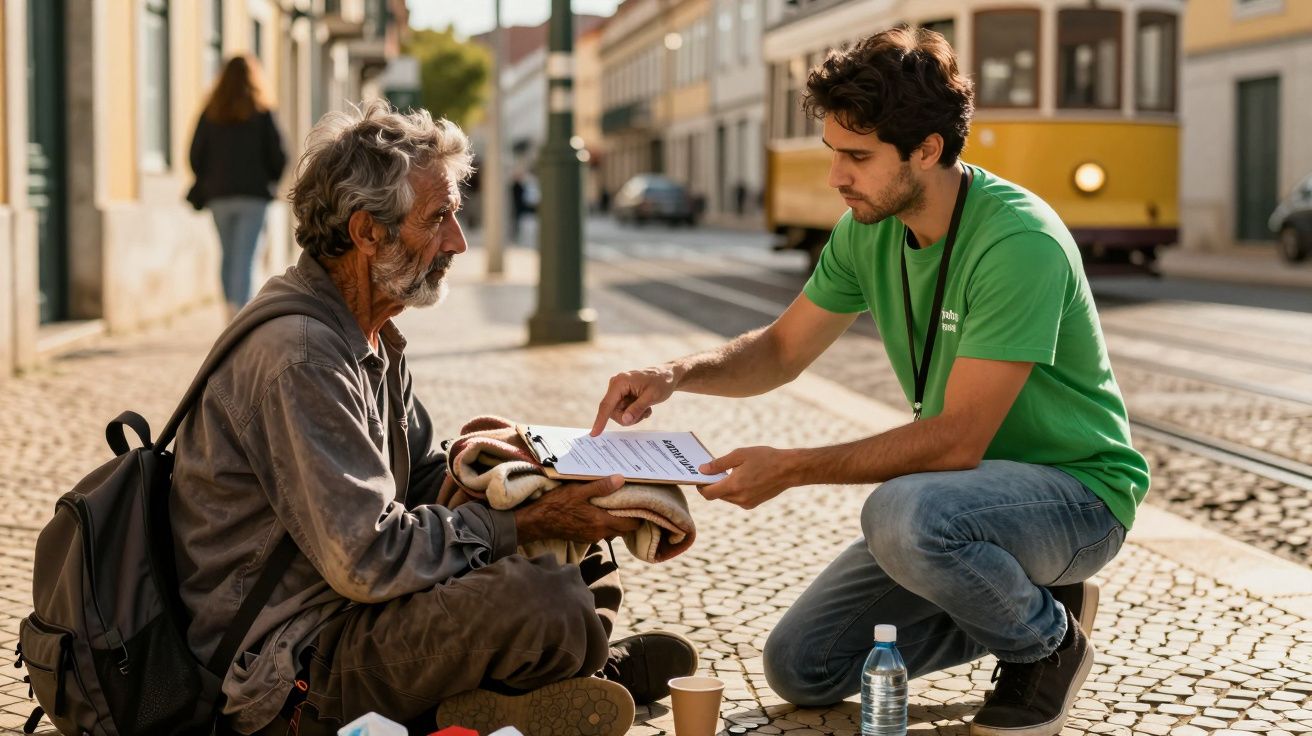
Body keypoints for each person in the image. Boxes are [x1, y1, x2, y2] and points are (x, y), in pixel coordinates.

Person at [591, 27, 1148, 736]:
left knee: (900, 515)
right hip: (966, 504)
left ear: (928, 149)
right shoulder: (867, 227)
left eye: (856, 157)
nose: (836, 177)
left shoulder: (1018, 243)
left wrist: (791, 468)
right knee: (803, 666)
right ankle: (1035, 600)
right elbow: (780, 350)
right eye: (833, 154)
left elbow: (956, 441)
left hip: (1074, 496)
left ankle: (1046, 646)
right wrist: (673, 376)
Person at [171, 101, 696, 736]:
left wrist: (503, 467)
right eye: (437, 219)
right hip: (291, 665)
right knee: (546, 598)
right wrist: (515, 525)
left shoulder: (369, 331)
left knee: (575, 561)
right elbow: (366, 557)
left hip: (350, 611)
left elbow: (415, 479)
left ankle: (537, 681)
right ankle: (544, 678)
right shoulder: (301, 357)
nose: (458, 241)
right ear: (367, 232)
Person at [189, 55, 289, 319]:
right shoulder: (262, 111)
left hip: (219, 195)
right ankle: (241, 314)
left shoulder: (211, 112)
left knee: (229, 255)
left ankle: (231, 307)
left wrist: (208, 179)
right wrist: (271, 179)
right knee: (246, 256)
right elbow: (279, 155)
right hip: (254, 196)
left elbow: (195, 154)